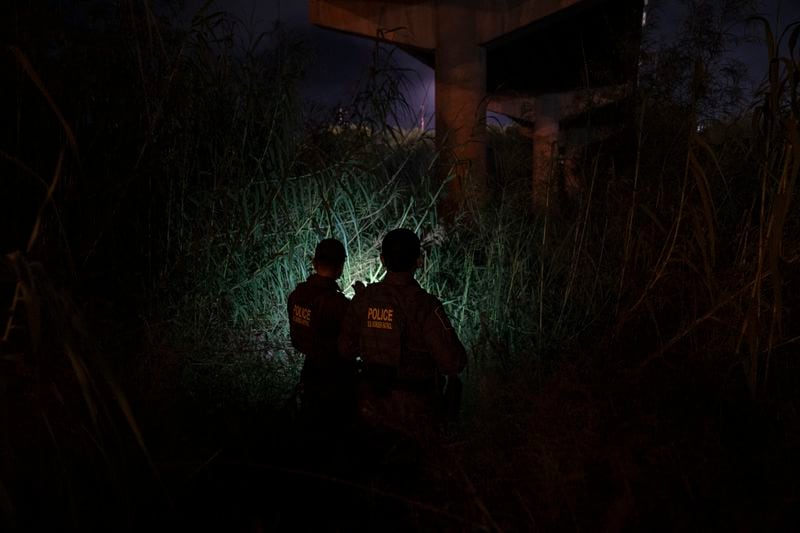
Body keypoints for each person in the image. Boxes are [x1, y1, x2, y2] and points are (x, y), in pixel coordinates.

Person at [338, 228, 467, 460]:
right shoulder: (425, 305)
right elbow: (452, 363)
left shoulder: (363, 299)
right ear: (419, 261)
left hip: (370, 406)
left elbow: (345, 349)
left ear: (382, 260)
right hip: (414, 413)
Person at [287, 238, 360, 429]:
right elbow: (353, 341)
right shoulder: (339, 303)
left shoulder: (297, 295)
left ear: (314, 262)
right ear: (341, 266)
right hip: (335, 376)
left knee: (309, 425)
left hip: (310, 369)